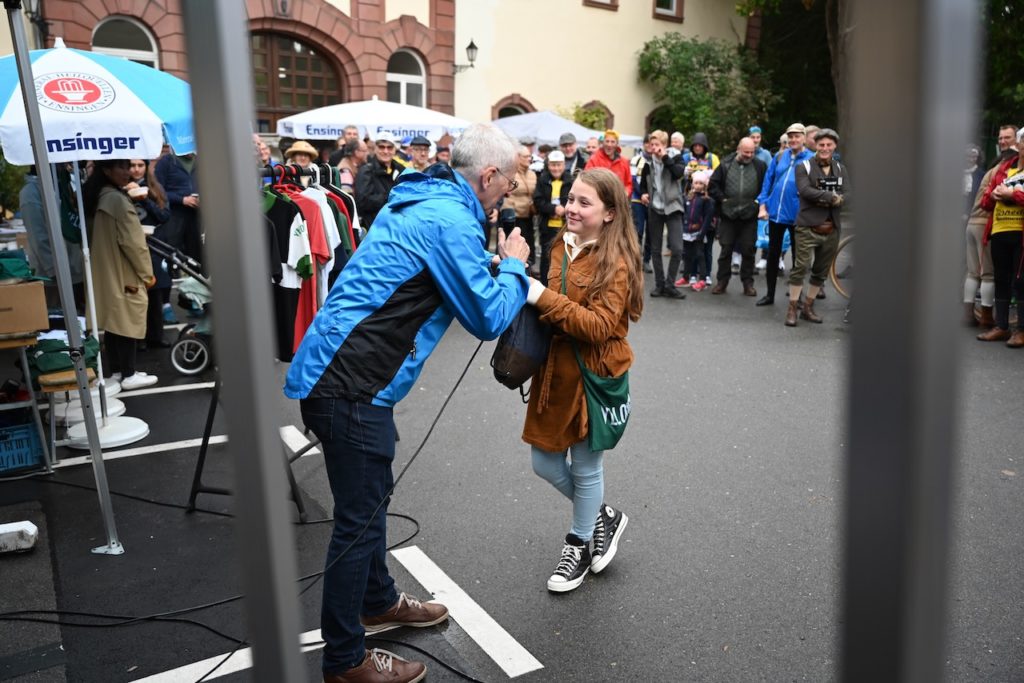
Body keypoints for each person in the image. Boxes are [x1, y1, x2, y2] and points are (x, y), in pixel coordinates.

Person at [284, 123, 530, 683]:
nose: (510, 191)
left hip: (342, 376)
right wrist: (514, 264)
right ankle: (345, 661)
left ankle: (378, 601)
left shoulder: (427, 199)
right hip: (350, 385)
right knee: (356, 523)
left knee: (371, 503)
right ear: (489, 175)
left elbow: (431, 271)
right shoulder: (449, 219)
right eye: (511, 181)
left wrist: (486, 266)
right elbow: (489, 317)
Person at [521, 167, 642, 593]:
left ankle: (579, 544)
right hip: (554, 371)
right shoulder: (560, 245)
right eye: (571, 198)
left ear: (609, 213)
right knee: (544, 462)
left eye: (583, 202)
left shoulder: (618, 261)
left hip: (594, 374)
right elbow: (553, 305)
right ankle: (603, 515)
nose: (571, 207)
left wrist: (540, 296)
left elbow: (598, 327)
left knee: (587, 467)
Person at [83, 159, 159, 390]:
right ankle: (129, 374)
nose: (128, 172)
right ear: (107, 171)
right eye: (122, 167)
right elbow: (133, 243)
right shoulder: (117, 199)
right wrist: (147, 274)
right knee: (127, 319)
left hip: (104, 266)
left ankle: (117, 372)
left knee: (113, 321)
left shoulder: (98, 196)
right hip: (123, 268)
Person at [785, 128, 848, 326]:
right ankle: (792, 308)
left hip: (832, 227)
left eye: (829, 145)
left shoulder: (840, 168)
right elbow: (805, 190)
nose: (825, 148)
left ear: (834, 146)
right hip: (807, 226)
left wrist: (837, 198)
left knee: (821, 270)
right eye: (821, 145)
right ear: (815, 146)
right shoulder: (803, 166)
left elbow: (849, 193)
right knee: (801, 267)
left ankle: (808, 307)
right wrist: (832, 197)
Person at [754, 123, 813, 306]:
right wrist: (763, 205)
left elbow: (821, 183)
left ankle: (797, 297)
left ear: (804, 138)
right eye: (791, 137)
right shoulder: (780, 156)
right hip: (776, 214)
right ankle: (769, 295)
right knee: (773, 255)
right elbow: (768, 181)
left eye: (797, 136)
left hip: (798, 216)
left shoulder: (812, 158)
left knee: (798, 258)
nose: (793, 140)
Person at [976, 138, 1024, 346]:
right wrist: (994, 196)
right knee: (1001, 279)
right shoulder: (1003, 169)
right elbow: (985, 203)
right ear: (1019, 145)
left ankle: (1021, 330)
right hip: (999, 231)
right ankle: (1002, 327)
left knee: (1021, 282)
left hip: (1021, 234)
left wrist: (1012, 194)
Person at [709, 137, 767, 296]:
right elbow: (712, 185)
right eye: (746, 152)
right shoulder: (725, 164)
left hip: (750, 216)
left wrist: (758, 203)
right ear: (738, 149)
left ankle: (748, 283)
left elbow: (766, 186)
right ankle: (722, 282)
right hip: (728, 216)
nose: (749, 155)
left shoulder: (760, 166)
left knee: (749, 250)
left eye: (752, 152)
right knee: (726, 249)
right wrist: (723, 200)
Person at [125, 159, 173, 347]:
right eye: (132, 165)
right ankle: (139, 339)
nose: (136, 169)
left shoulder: (155, 188)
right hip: (131, 246)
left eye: (140, 165)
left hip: (154, 245)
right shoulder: (120, 190)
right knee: (135, 294)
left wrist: (144, 199)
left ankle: (156, 336)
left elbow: (164, 215)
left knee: (155, 292)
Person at [638, 129, 688, 299]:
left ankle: (670, 285)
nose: (653, 148)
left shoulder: (676, 157)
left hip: (673, 207)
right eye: (651, 144)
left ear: (664, 145)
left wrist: (665, 158)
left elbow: (678, 173)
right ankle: (660, 285)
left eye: (656, 144)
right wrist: (644, 193)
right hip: (655, 208)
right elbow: (643, 183)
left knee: (677, 248)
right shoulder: (647, 162)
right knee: (655, 249)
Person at [154, 151, 202, 263]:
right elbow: (157, 191)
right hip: (174, 215)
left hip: (195, 215)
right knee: (172, 250)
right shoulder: (167, 161)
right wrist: (181, 200)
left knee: (196, 251)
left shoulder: (200, 161)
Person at [533, 150, 572, 285]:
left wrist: (564, 209)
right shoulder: (542, 180)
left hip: (565, 227)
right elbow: (538, 201)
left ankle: (563, 285)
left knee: (564, 257)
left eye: (559, 165)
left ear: (564, 165)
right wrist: (553, 209)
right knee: (546, 258)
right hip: (547, 227)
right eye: (553, 165)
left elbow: (574, 200)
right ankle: (545, 285)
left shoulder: (570, 180)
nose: (556, 168)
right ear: (548, 165)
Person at [355, 132, 403, 228]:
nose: (385, 151)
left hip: (396, 225)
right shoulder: (366, 171)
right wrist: (391, 197)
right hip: (374, 227)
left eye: (389, 147)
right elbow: (363, 202)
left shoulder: (400, 169)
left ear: (395, 150)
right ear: (375, 149)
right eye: (381, 147)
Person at [676, 169, 714, 291]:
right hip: (687, 231)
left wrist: (702, 233)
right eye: (696, 183)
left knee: (699, 255)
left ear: (705, 185)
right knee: (686, 255)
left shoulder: (707, 200)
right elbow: (684, 214)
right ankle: (685, 277)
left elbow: (708, 218)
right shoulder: (687, 198)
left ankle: (702, 279)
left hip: (698, 232)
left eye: (700, 183)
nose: (698, 185)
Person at [506, 145, 538, 268]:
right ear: (518, 157)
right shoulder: (510, 173)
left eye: (530, 156)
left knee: (528, 245)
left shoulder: (532, 174)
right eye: (526, 156)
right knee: (512, 247)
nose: (529, 158)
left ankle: (528, 268)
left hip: (528, 215)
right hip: (514, 215)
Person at [584, 129, 632, 195]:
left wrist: (625, 193)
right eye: (607, 141)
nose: (609, 144)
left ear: (617, 144)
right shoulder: (594, 159)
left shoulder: (624, 162)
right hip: (599, 197)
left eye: (612, 142)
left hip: (618, 198)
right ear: (603, 143)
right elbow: (586, 179)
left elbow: (628, 184)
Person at [630, 136, 652, 272]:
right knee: (638, 231)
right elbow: (632, 179)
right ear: (643, 144)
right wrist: (642, 194)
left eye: (652, 143)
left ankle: (646, 260)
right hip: (637, 199)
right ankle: (635, 259)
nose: (649, 146)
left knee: (651, 232)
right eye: (647, 143)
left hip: (653, 201)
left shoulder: (657, 160)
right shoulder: (636, 159)